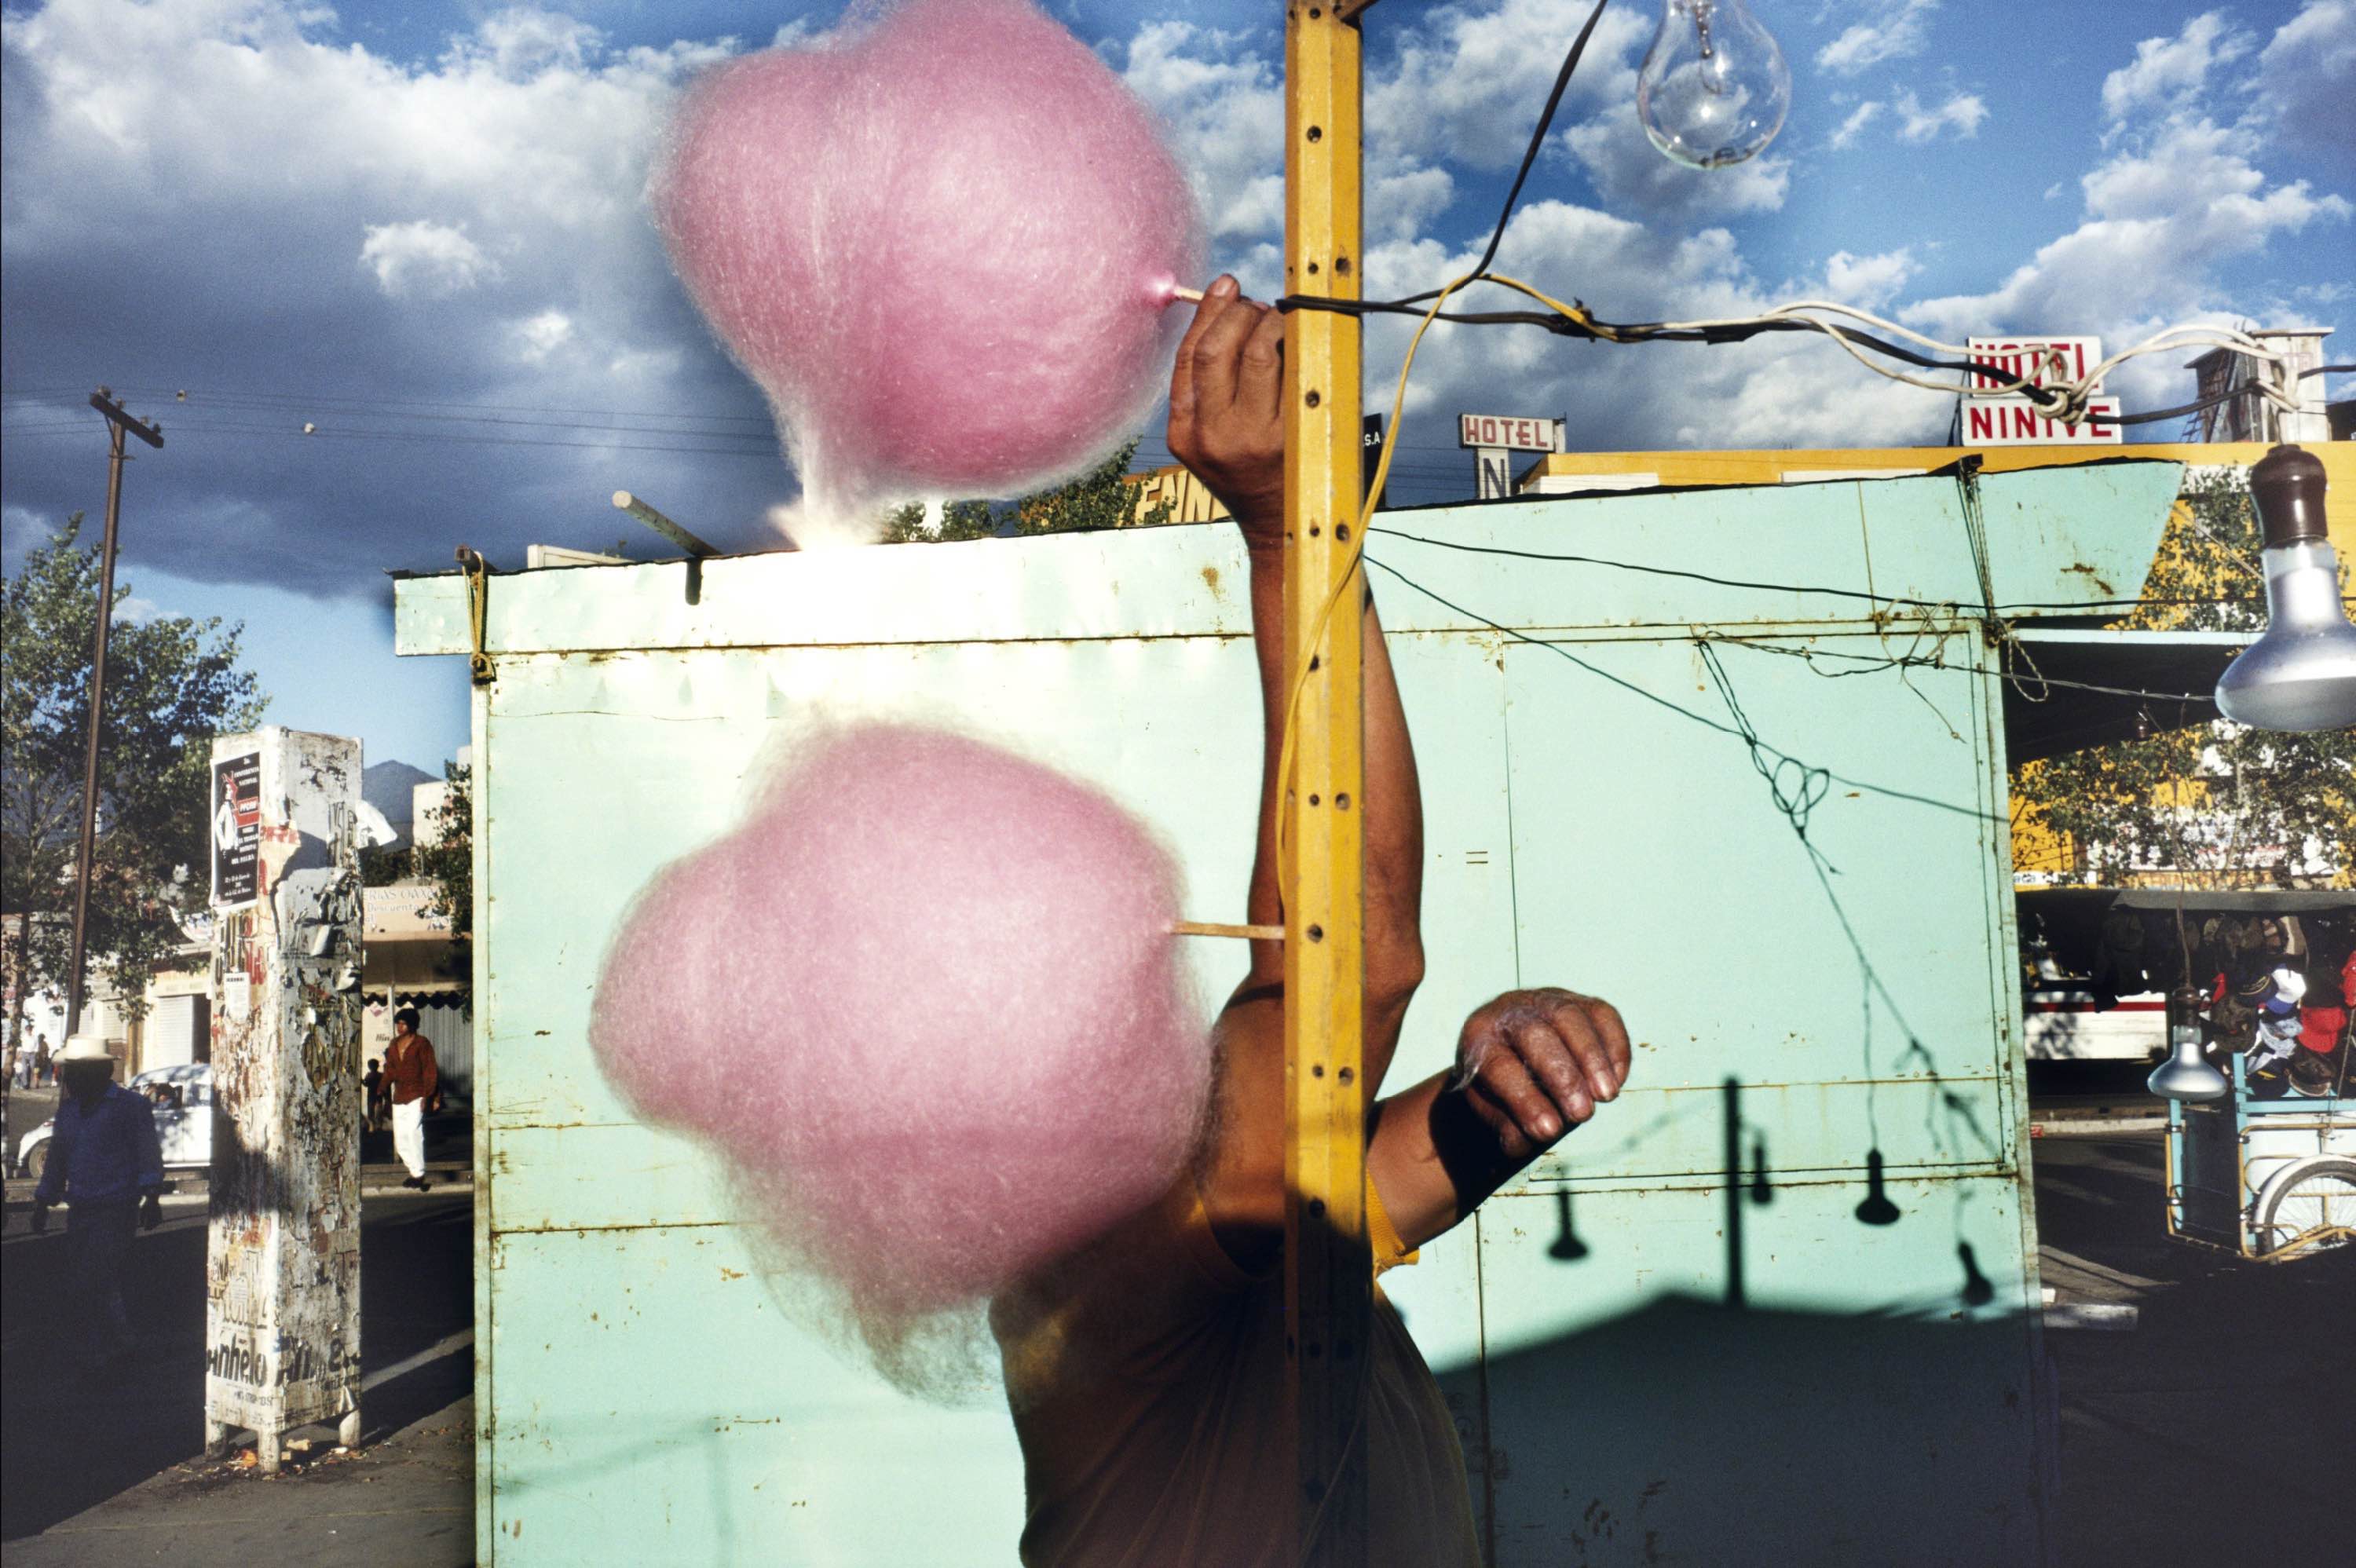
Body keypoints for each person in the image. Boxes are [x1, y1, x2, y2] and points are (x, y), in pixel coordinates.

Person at [991, 276, 1635, 1567]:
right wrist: (1292, 535)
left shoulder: (1255, 1251)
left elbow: (1408, 1152)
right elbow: (1351, 964)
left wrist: (1516, 1061)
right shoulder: (1097, 1279)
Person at [31, 1035, 164, 1372]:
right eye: (70, 1072)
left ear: (101, 1071)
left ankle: (106, 1348)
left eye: (77, 1071)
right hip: (81, 1209)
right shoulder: (69, 1111)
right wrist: (42, 1203)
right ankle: (119, 1341)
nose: (71, 1079)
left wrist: (152, 1197)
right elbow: (57, 1160)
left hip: (117, 1207)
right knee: (91, 1280)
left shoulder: (131, 1107)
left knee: (96, 1277)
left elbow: (148, 1153)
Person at [383, 1007, 438, 1190]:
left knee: (413, 1133)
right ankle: (414, 1171)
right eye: (398, 1024)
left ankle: (418, 1174)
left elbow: (430, 1070)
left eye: (404, 1024)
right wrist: (381, 1089)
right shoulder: (393, 1044)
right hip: (399, 1097)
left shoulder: (422, 1043)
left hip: (417, 1094)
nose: (400, 1027)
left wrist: (428, 1095)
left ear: (412, 1025)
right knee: (400, 1140)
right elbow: (390, 1070)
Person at [362, 1057, 386, 1132]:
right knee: (378, 1111)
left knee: (371, 1111)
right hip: (378, 1095)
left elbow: (366, 1084)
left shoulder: (370, 1075)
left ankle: (373, 1127)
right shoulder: (380, 1075)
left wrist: (362, 1081)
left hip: (372, 1095)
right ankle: (378, 1126)